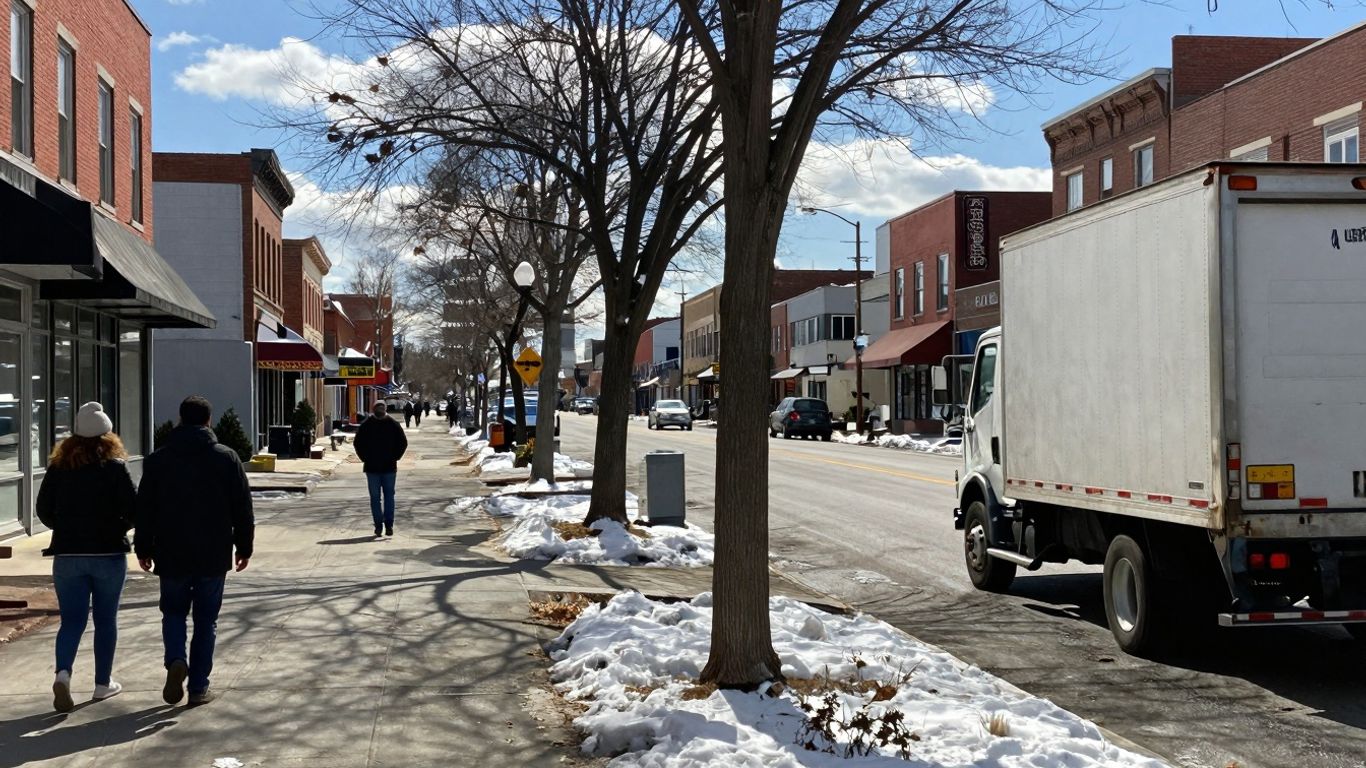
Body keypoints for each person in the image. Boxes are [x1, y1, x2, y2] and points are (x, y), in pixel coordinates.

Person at [136, 396, 254, 707]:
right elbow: (242, 508)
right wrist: (244, 546)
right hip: (213, 552)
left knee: (173, 613)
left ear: (180, 419)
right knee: (206, 620)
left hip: (171, 550)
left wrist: (143, 547)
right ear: (208, 421)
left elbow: (145, 509)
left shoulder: (158, 460)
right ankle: (199, 687)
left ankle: (176, 659)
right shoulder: (226, 458)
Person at [35, 402, 137, 713]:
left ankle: (63, 674)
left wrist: (64, 527)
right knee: (106, 620)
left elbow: (43, 510)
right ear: (109, 437)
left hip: (68, 554)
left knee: (72, 621)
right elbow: (134, 510)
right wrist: (119, 526)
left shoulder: (59, 469)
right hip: (108, 553)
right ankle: (102, 683)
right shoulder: (115, 468)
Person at [354, 401, 409, 537]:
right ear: (374, 409)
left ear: (384, 409)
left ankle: (387, 525)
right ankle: (380, 525)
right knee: (379, 498)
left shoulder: (392, 424)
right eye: (378, 408)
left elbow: (403, 443)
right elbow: (358, 443)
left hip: (387, 468)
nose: (380, 410)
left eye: (382, 407)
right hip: (374, 468)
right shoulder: (367, 425)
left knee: (384, 497)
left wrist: (395, 457)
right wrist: (365, 458)